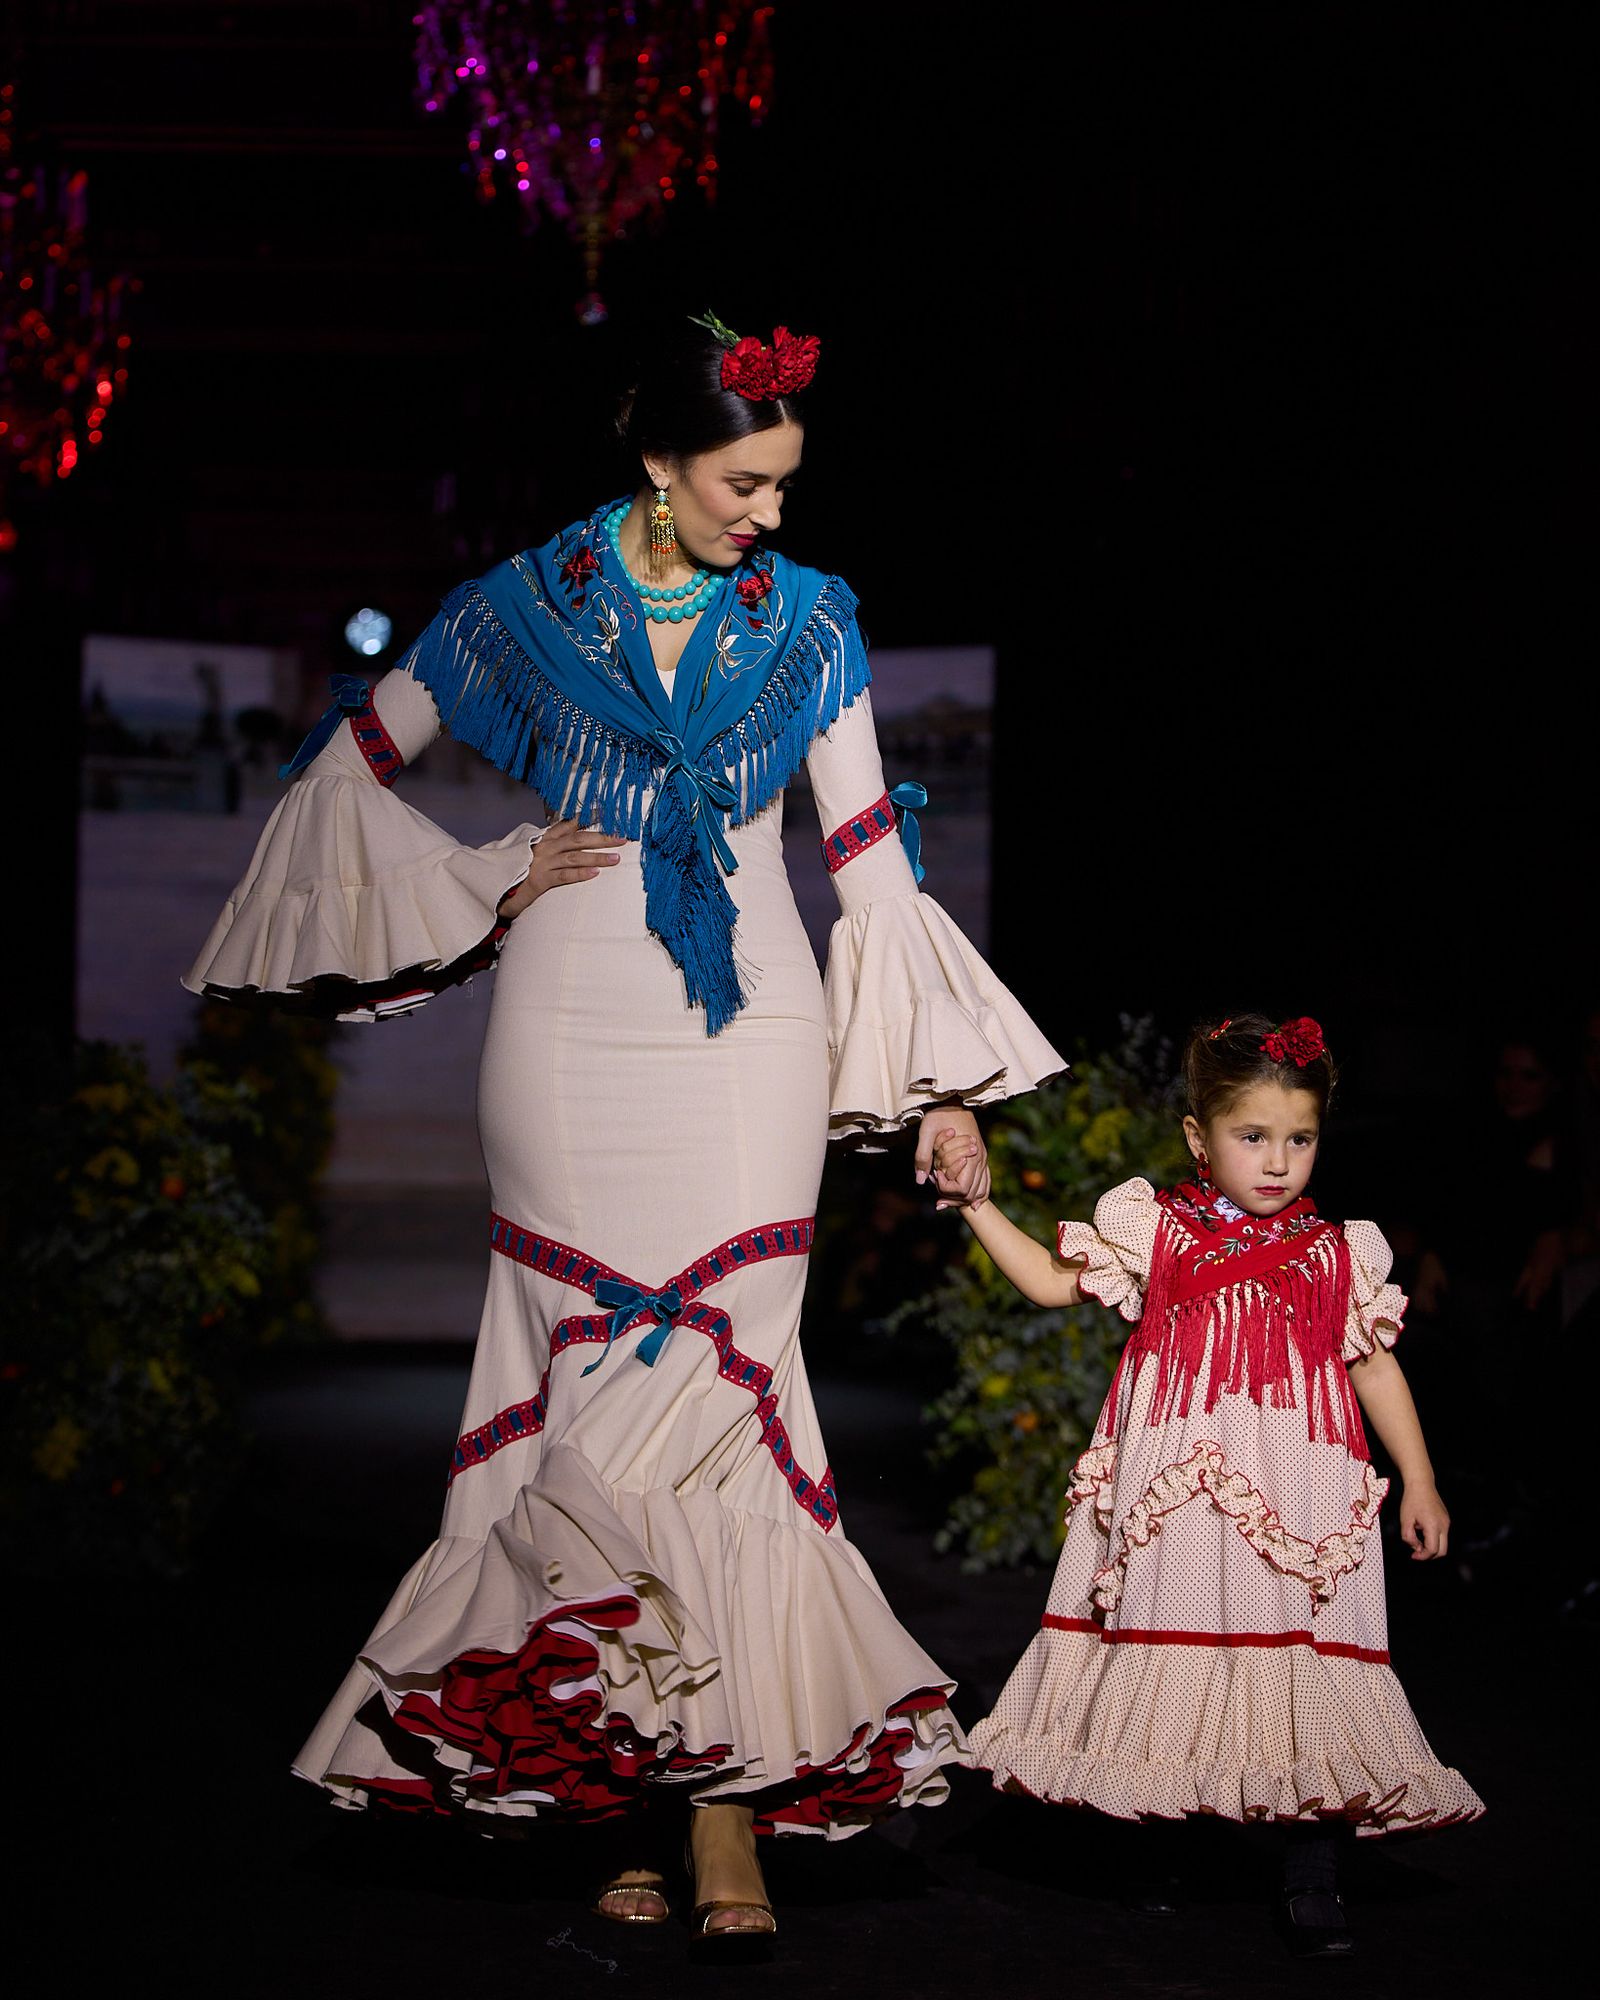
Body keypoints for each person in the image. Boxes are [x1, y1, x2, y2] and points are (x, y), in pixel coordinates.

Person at [185, 312, 1062, 1948]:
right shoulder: (515, 614)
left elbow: (870, 859)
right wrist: (485, 874)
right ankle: (615, 1785)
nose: (774, 515)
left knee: (732, 1397)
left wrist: (938, 1088)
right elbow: (347, 769)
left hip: (756, 1043)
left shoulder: (812, 623)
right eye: (747, 481)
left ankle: (724, 1802)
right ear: (657, 460)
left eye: (788, 483)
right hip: (572, 1031)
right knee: (588, 1399)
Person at [928, 1012, 1482, 1958]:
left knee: (1297, 1664)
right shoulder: (1155, 1230)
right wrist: (978, 1206)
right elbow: (1051, 1284)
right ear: (1200, 1137)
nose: (1277, 1161)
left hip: (1299, 1497)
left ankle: (1309, 1863)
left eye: (1299, 1139)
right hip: (1179, 1495)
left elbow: (1375, 1368)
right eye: (1252, 1136)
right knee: (1177, 1648)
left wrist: (1419, 1478)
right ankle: (1162, 1840)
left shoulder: (1340, 1253)